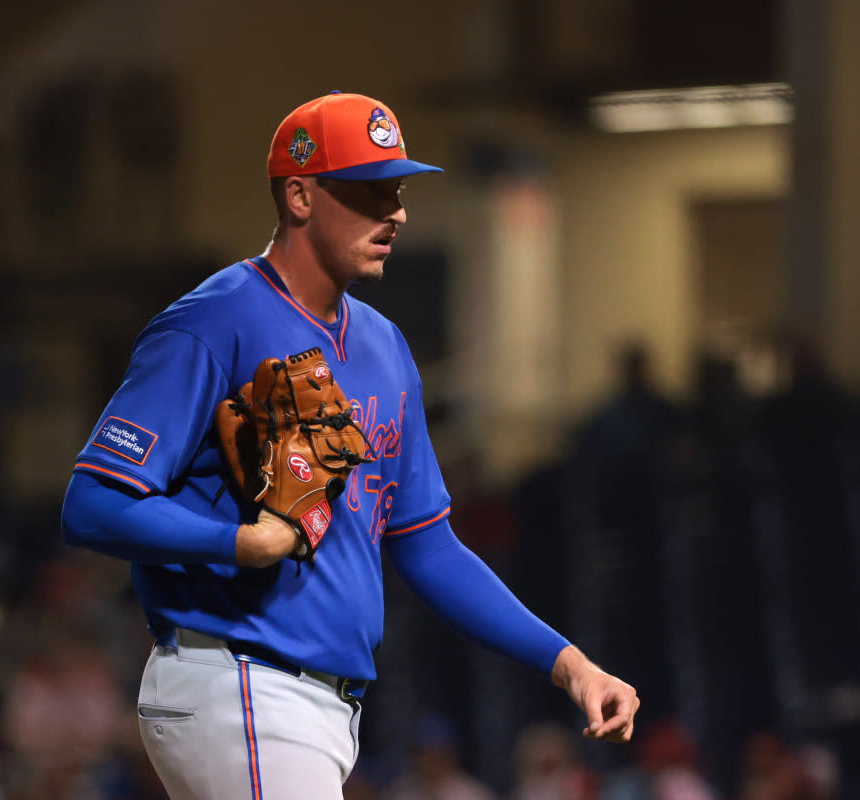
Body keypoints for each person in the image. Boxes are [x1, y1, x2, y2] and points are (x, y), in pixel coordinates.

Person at [60, 91, 639, 800]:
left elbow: (429, 547)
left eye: (394, 189)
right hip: (238, 677)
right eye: (368, 192)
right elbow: (90, 505)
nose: (394, 210)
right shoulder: (212, 323)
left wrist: (569, 664)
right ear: (300, 196)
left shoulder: (384, 347)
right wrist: (243, 542)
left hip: (319, 705)